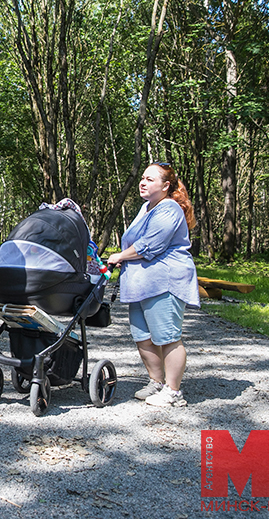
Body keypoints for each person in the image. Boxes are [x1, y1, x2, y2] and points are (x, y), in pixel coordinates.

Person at [106, 162, 199, 408]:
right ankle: (156, 382)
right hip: (141, 283)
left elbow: (150, 245)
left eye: (150, 179)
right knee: (143, 337)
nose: (143, 182)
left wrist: (120, 256)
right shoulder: (146, 208)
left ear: (166, 186)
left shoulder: (168, 209)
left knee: (167, 337)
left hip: (164, 281)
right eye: (143, 178)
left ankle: (173, 392)